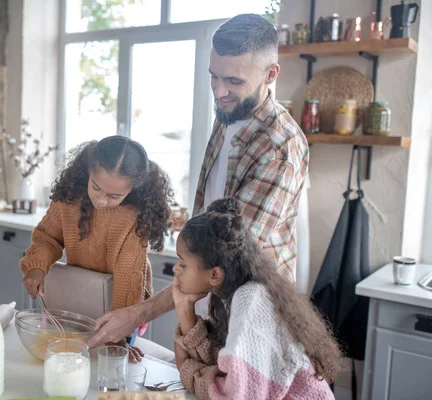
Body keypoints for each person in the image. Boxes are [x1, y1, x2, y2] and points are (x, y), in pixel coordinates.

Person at [88, 13, 309, 350]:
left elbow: (221, 255)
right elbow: (209, 221)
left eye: (233, 81)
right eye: (214, 77)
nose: (220, 91)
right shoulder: (228, 116)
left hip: (255, 320)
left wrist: (137, 313)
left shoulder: (280, 147)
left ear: (270, 74)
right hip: (216, 306)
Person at [20, 135, 173, 360]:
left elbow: (127, 278)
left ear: (133, 188)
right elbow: (47, 236)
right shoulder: (68, 200)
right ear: (89, 170)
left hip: (122, 303)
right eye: (96, 187)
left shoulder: (133, 219)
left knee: (102, 359)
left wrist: (118, 338)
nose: (101, 200)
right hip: (82, 298)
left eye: (114, 196)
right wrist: (37, 266)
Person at [172, 198, 340, 399]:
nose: (175, 269)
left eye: (183, 263)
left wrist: (186, 369)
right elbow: (220, 364)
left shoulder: (251, 300)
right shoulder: (232, 295)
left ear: (215, 274)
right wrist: (184, 308)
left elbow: (237, 396)